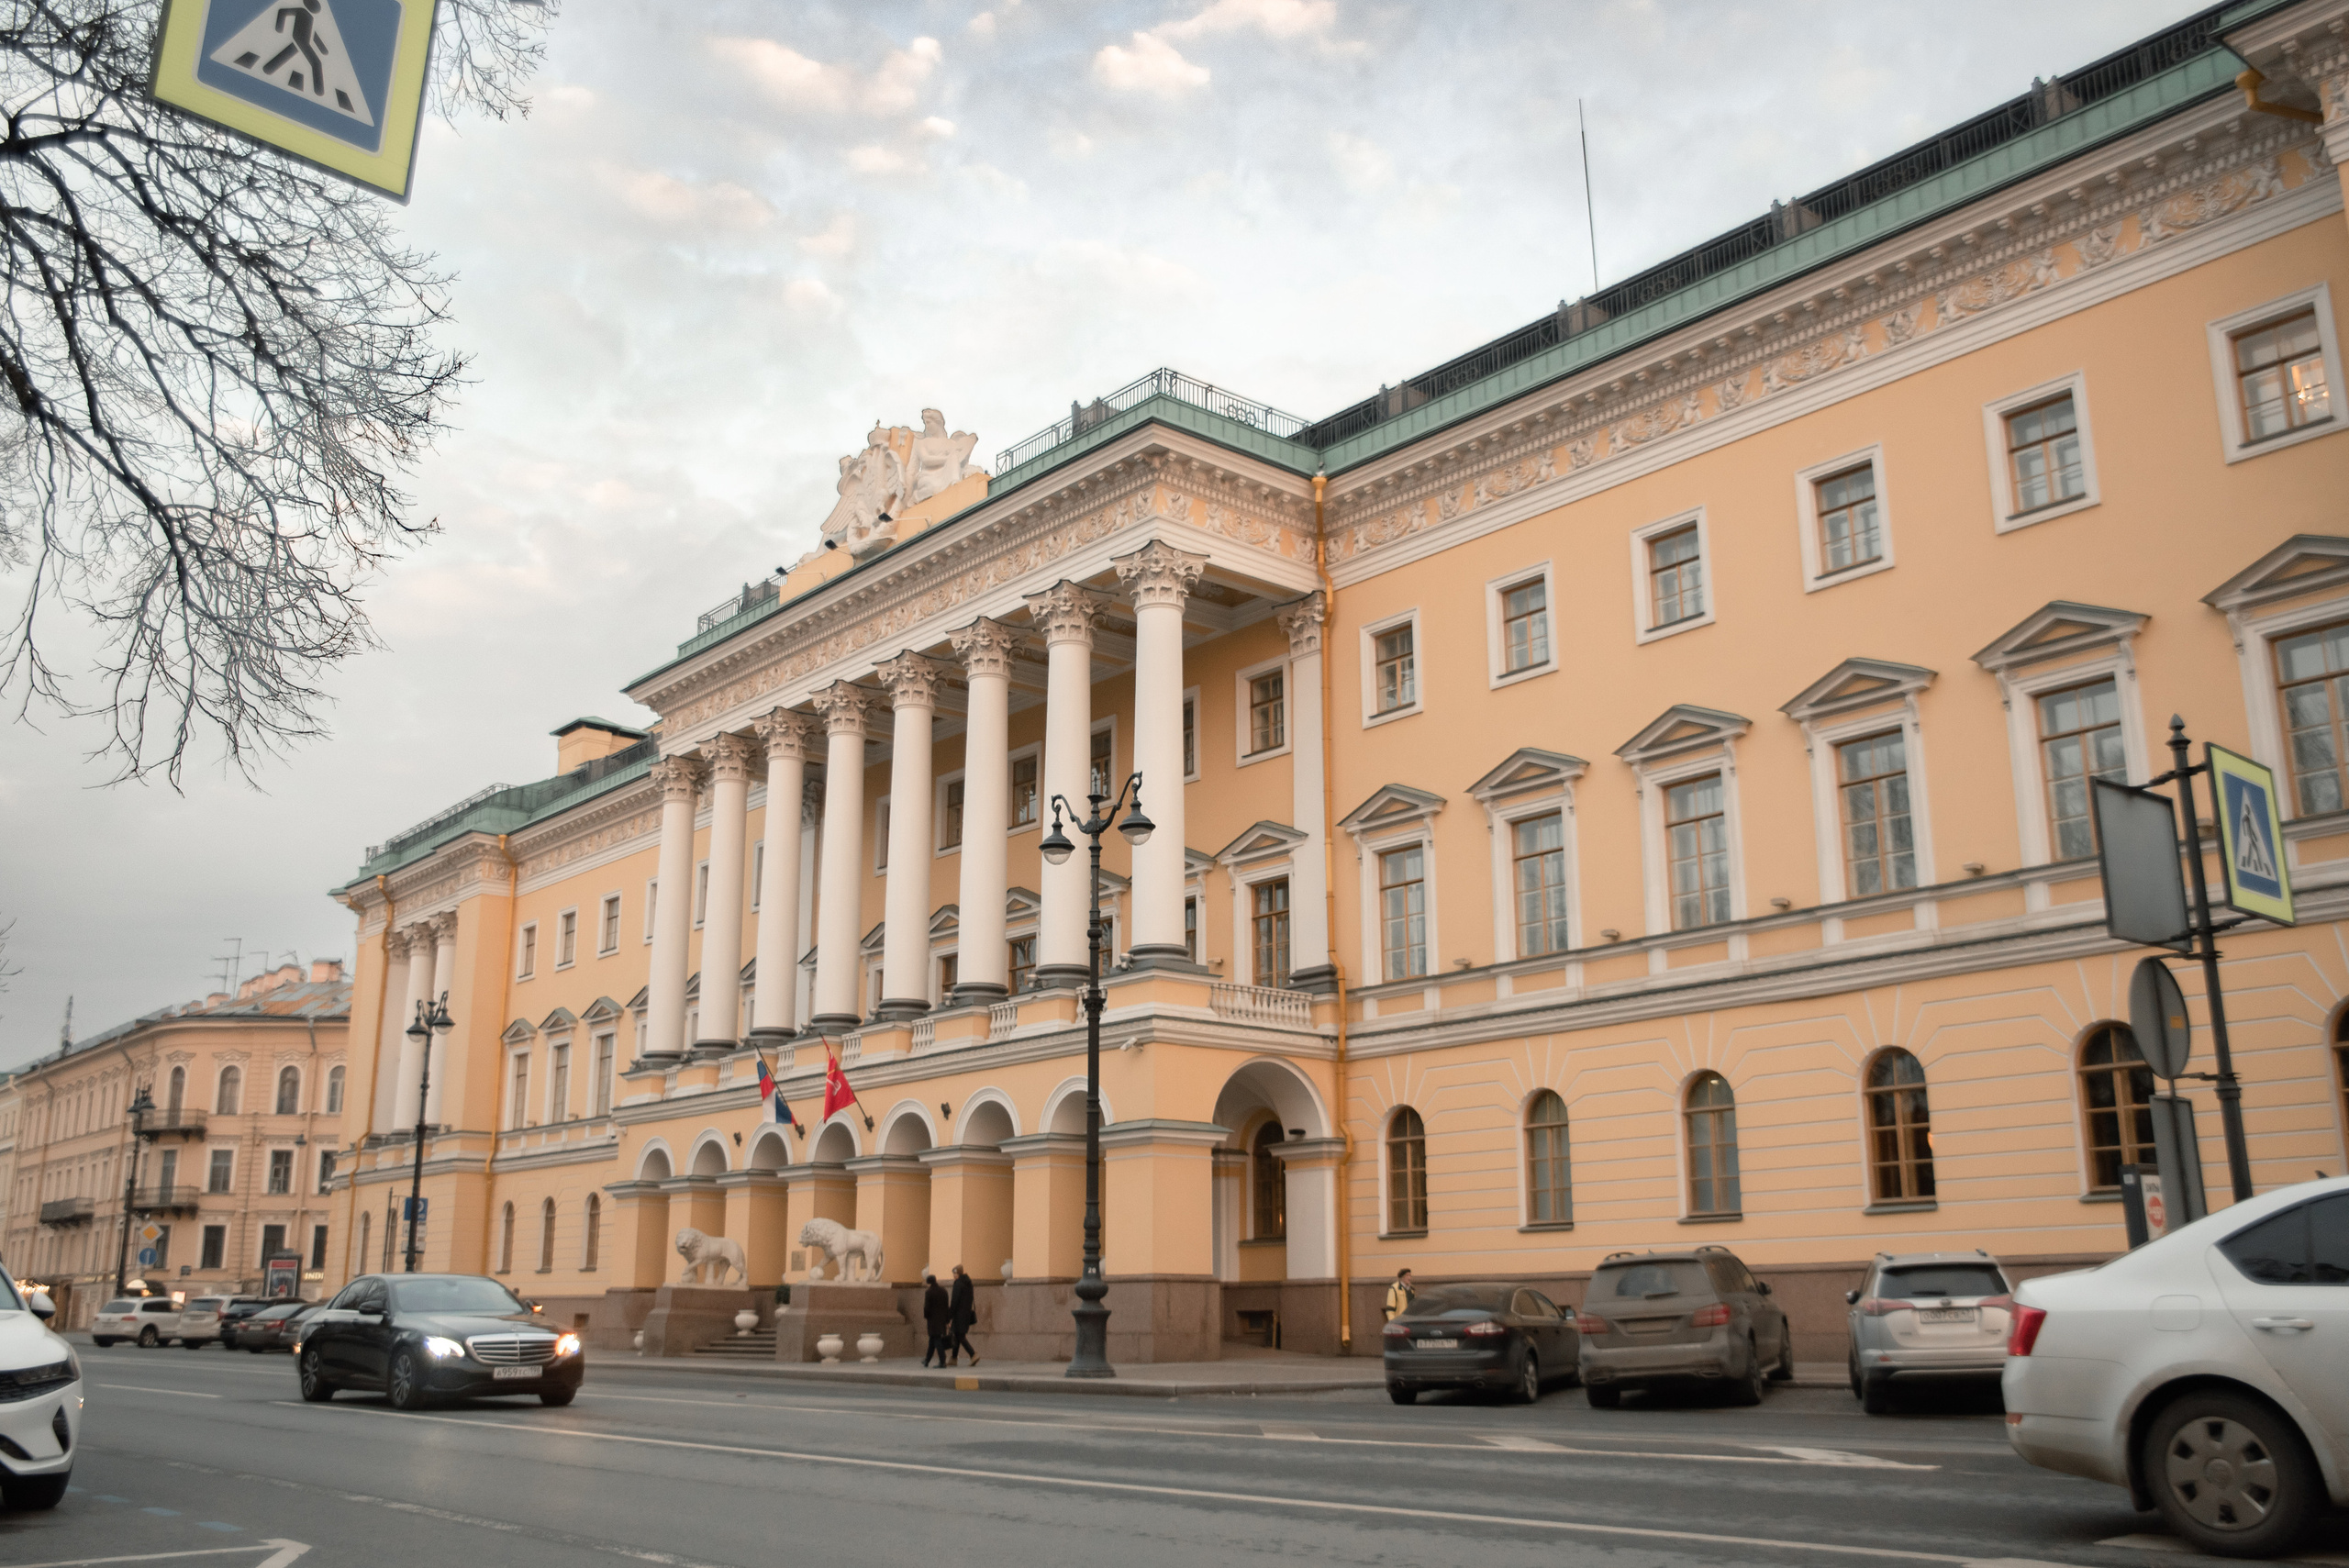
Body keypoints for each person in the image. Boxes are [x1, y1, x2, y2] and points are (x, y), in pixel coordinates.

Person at [945, 1262, 979, 1367]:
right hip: (966, 1313)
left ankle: (973, 1354)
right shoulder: (968, 1283)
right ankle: (954, 1358)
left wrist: (949, 1317)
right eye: (953, 1273)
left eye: (955, 1273)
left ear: (959, 1273)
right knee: (957, 1334)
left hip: (959, 1314)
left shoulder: (958, 1284)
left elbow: (954, 1302)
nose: (954, 1276)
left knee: (960, 1335)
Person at [919, 1272, 952, 1368]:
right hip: (942, 1320)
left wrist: (926, 1316)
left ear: (928, 1283)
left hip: (933, 1321)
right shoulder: (944, 1291)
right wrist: (947, 1320)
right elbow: (947, 1307)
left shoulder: (929, 1292)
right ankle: (927, 1360)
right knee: (932, 1340)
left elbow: (927, 1308)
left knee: (937, 1340)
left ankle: (942, 1361)